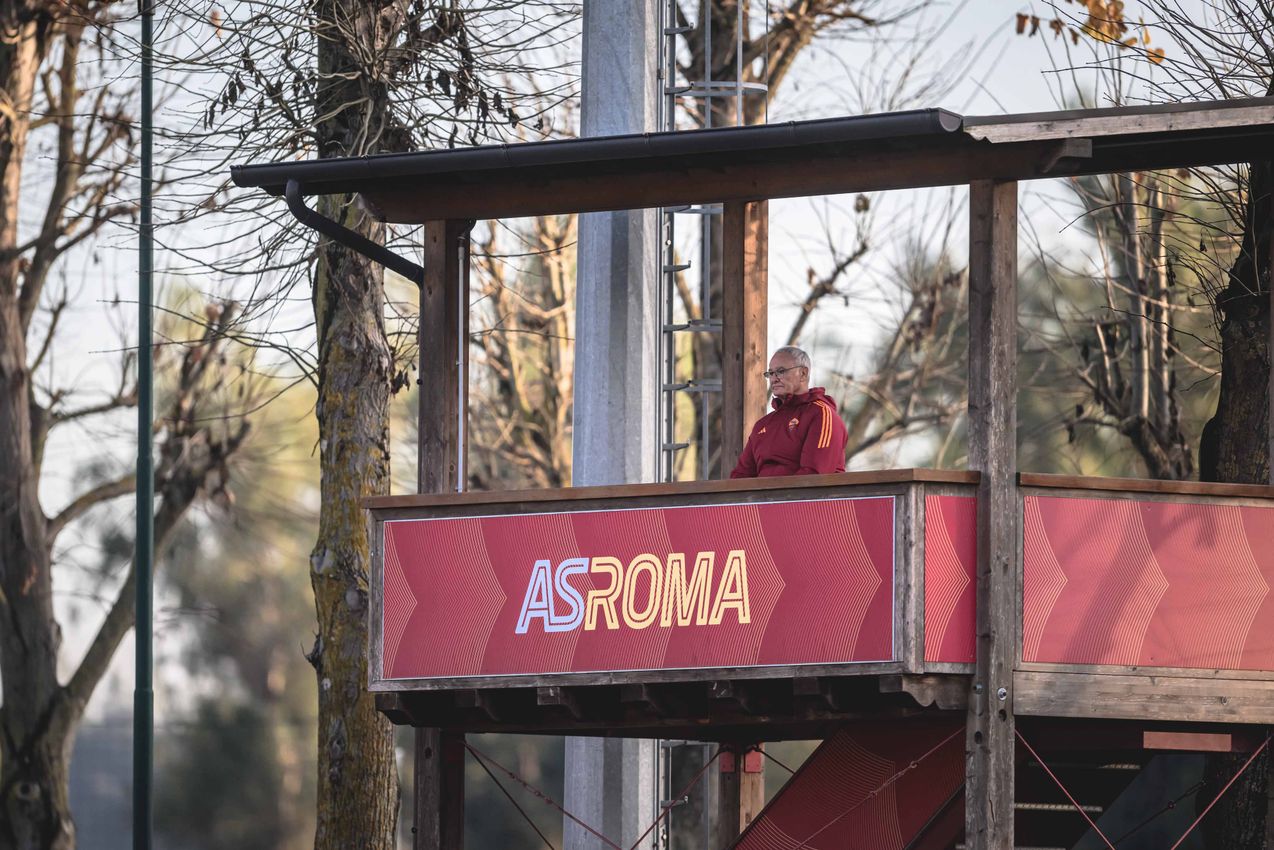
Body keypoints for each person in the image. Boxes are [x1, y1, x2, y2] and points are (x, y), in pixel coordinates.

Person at [729, 346, 848, 478]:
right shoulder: (762, 425)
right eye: (770, 373)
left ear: (803, 373)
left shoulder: (822, 414)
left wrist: (772, 496)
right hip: (763, 497)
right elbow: (740, 476)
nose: (774, 379)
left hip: (802, 497)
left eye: (781, 371)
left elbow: (814, 476)